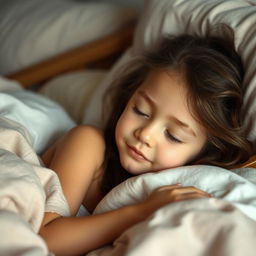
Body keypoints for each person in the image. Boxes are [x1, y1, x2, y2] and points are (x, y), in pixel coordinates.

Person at [39, 32, 252, 255]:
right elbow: (45, 237)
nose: (145, 135)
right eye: (141, 110)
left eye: (173, 136)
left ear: (204, 153)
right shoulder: (88, 144)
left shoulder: (184, 187)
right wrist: (140, 212)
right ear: (128, 97)